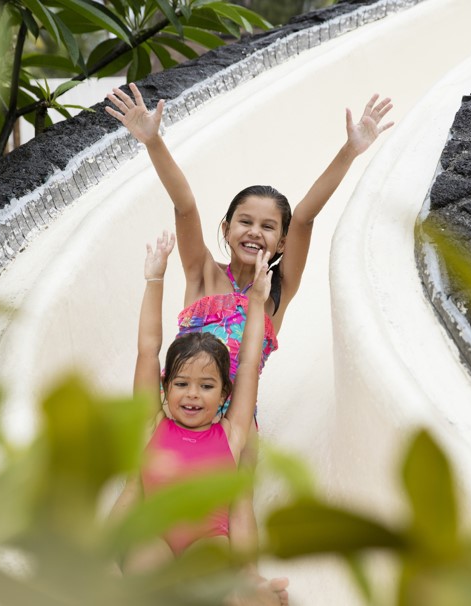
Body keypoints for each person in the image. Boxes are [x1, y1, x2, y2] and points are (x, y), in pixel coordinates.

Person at [106, 82, 394, 565]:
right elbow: (184, 206)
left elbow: (304, 217)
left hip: (234, 416)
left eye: (267, 227)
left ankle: (240, 578)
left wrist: (350, 150)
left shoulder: (274, 296)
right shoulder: (201, 274)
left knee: (237, 501)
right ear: (226, 229)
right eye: (244, 221)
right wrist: (153, 142)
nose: (255, 232)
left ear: (280, 244)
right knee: (141, 480)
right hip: (176, 401)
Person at [118, 231, 288, 605]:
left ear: (225, 395)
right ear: (165, 388)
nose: (192, 393)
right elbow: (148, 350)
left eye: (207, 386)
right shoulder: (152, 424)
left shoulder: (231, 434)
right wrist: (155, 278)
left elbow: (246, 364)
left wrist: (257, 302)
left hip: (208, 541)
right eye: (181, 383)